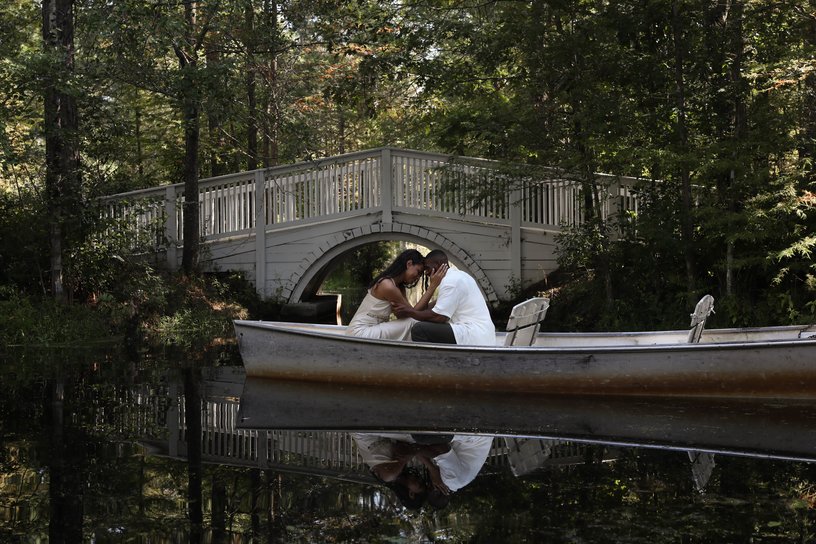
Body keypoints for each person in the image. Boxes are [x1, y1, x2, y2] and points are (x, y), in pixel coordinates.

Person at [391, 249, 495, 345]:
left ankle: (432, 363)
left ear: (437, 265)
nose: (426, 273)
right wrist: (431, 289)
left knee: (419, 329)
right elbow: (426, 310)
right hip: (482, 334)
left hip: (472, 334)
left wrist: (409, 312)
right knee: (423, 321)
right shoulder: (459, 275)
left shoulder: (450, 282)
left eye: (427, 268)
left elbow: (439, 317)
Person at [346, 249, 447, 340]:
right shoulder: (387, 286)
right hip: (360, 333)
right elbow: (414, 314)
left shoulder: (398, 286)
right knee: (414, 323)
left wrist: (440, 301)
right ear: (409, 264)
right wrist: (432, 287)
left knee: (412, 322)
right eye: (418, 272)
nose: (417, 277)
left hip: (371, 330)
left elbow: (410, 314)